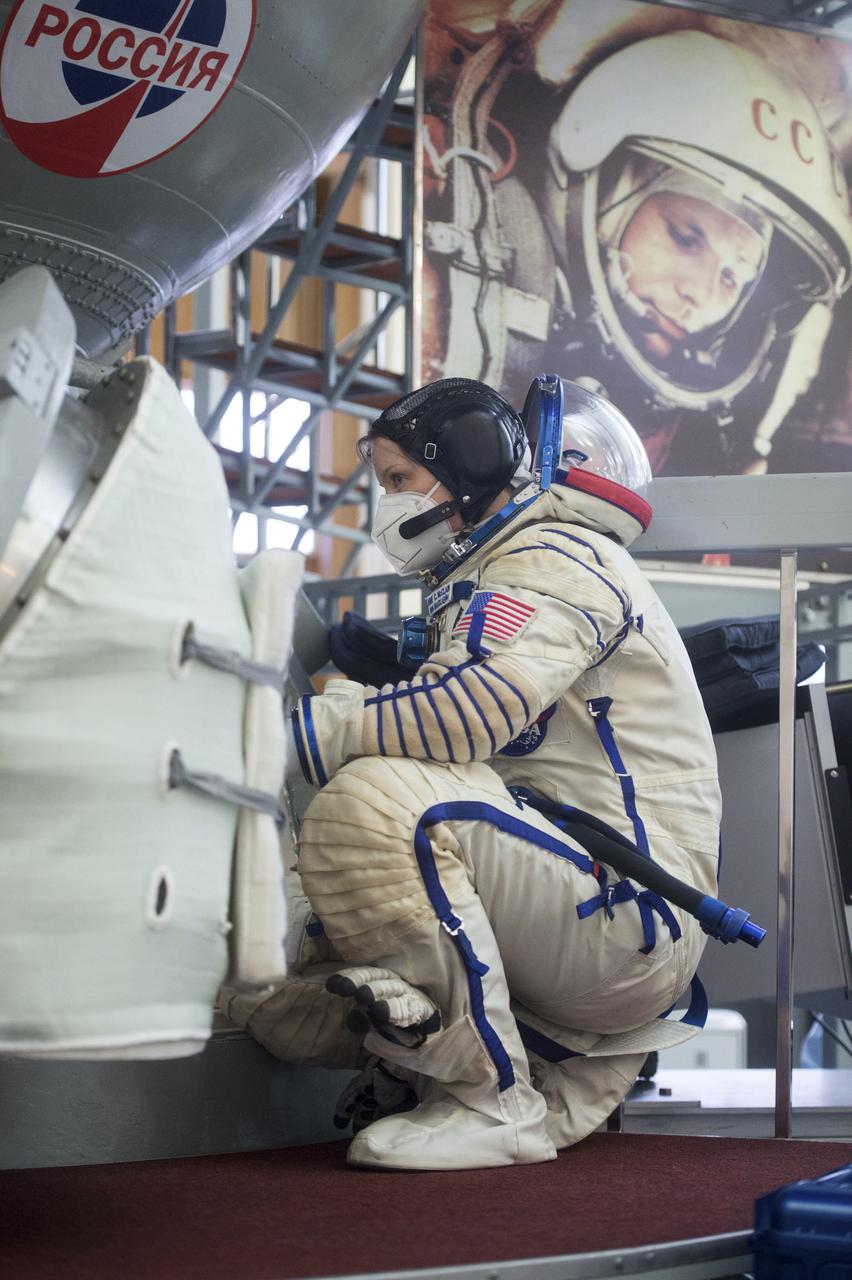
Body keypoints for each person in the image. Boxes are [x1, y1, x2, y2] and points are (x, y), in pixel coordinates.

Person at [230, 375, 724, 1171]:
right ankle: (417, 1063)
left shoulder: (554, 556)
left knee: (375, 802)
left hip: (631, 921)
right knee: (272, 981)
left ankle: (486, 1100)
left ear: (467, 464)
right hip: (565, 903)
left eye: (397, 479)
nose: (387, 501)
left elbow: (471, 709)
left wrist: (301, 732)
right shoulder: (483, 575)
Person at [425, 23, 852, 474]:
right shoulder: (455, 312)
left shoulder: (707, 451)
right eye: (686, 239)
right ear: (602, 193)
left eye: (733, 277)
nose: (701, 297)